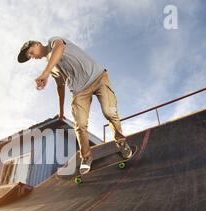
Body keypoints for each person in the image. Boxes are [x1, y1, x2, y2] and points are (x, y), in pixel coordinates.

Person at [17, 36, 132, 174]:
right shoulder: (51, 68)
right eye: (29, 57)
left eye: (30, 53)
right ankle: (86, 157)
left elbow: (59, 47)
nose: (32, 57)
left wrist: (45, 72)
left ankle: (121, 142)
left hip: (98, 77)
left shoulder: (53, 41)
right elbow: (60, 87)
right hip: (79, 91)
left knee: (109, 112)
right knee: (80, 124)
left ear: (36, 44)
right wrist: (60, 111)